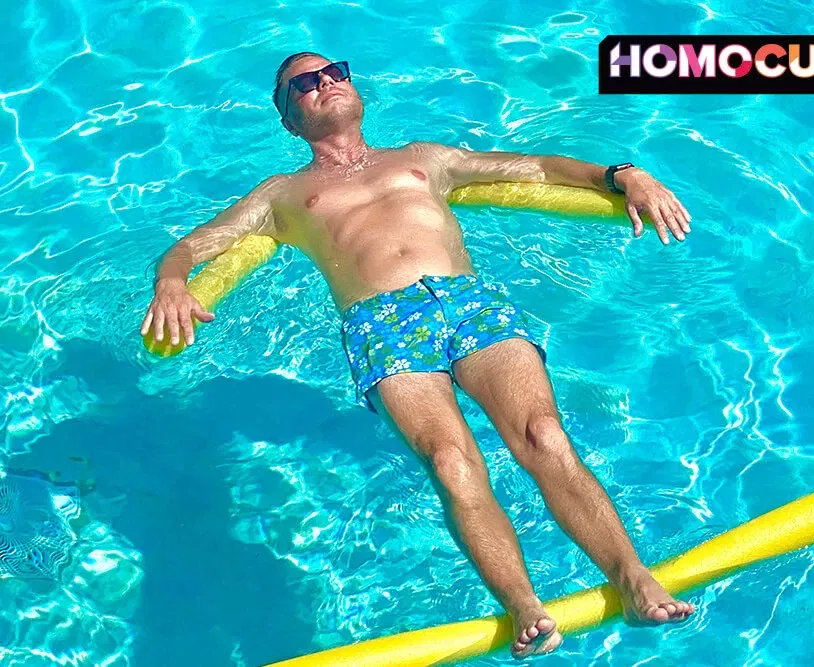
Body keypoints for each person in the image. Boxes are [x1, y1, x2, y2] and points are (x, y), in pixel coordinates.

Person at [140, 52, 694, 659]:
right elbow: (193, 245)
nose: (324, 82)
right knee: (451, 462)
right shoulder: (283, 194)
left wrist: (624, 174)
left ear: (355, 88)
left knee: (545, 435)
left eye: (335, 71)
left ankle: (632, 576)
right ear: (288, 119)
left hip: (467, 300)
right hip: (381, 323)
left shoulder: (423, 158)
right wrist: (172, 281)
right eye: (304, 82)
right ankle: (524, 607)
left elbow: (535, 166)